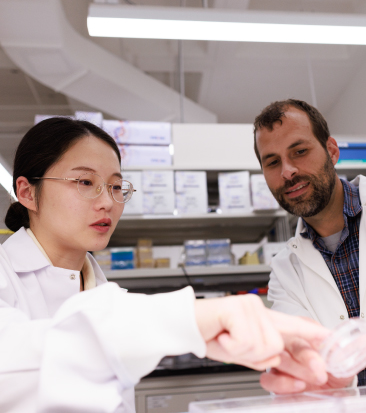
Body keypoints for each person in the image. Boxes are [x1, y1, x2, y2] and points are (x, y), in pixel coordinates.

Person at [0, 117, 330, 413]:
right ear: (27, 193)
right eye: (85, 182)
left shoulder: (105, 292)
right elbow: (19, 358)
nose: (107, 202)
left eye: (116, 186)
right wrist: (186, 319)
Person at [253, 99, 366, 389]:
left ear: (331, 151)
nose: (287, 171)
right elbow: (304, 366)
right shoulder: (284, 274)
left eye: (299, 151)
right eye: (272, 162)